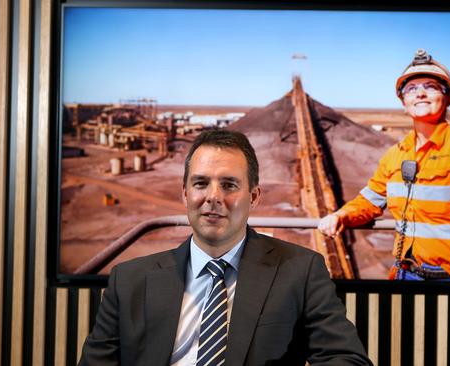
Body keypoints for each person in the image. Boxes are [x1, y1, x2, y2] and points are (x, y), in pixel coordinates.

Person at [79, 130, 371, 365]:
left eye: (229, 185)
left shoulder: (300, 270)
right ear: (185, 193)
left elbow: (346, 358)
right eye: (201, 183)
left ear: (254, 196)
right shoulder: (128, 281)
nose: (213, 197)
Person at [318, 49, 450, 282]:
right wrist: (342, 216)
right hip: (405, 273)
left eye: (430, 86)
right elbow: (370, 200)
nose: (420, 93)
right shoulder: (395, 155)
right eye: (411, 89)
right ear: (404, 102)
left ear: (447, 96)